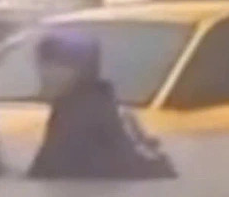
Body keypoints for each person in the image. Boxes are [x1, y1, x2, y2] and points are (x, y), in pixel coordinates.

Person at [26, 26, 177, 181]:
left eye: (53, 66)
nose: (44, 75)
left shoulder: (80, 116)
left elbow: (51, 171)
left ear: (79, 71)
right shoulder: (99, 104)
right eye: (43, 65)